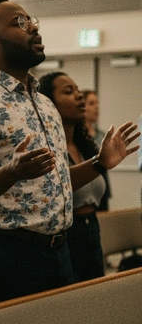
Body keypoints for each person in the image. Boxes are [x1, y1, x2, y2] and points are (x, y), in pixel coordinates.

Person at [0, 0, 140, 308]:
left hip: (58, 251)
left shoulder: (44, 104)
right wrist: (10, 173)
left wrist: (100, 163)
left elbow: (56, 181)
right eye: (20, 23)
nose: (33, 28)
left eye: (31, 20)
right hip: (5, 254)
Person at [39, 72, 107, 282]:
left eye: (78, 90)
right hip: (65, 235)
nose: (79, 96)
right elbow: (55, 186)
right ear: (49, 103)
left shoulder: (85, 147)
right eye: (69, 92)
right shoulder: (45, 148)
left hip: (91, 229)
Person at [82, 89, 112, 210]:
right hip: (86, 189)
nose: (96, 107)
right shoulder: (78, 136)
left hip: (102, 185)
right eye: (91, 103)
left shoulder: (102, 136)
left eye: (97, 103)